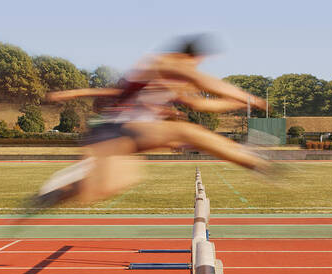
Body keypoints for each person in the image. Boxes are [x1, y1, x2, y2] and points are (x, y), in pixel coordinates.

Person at [29, 35, 269, 209]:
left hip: (124, 135)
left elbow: (202, 104)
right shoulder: (163, 63)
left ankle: (54, 191)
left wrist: (240, 104)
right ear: (190, 57)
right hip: (115, 130)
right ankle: (252, 160)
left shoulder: (172, 82)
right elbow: (205, 82)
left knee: (106, 188)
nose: (196, 67)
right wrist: (247, 97)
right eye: (197, 62)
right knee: (187, 131)